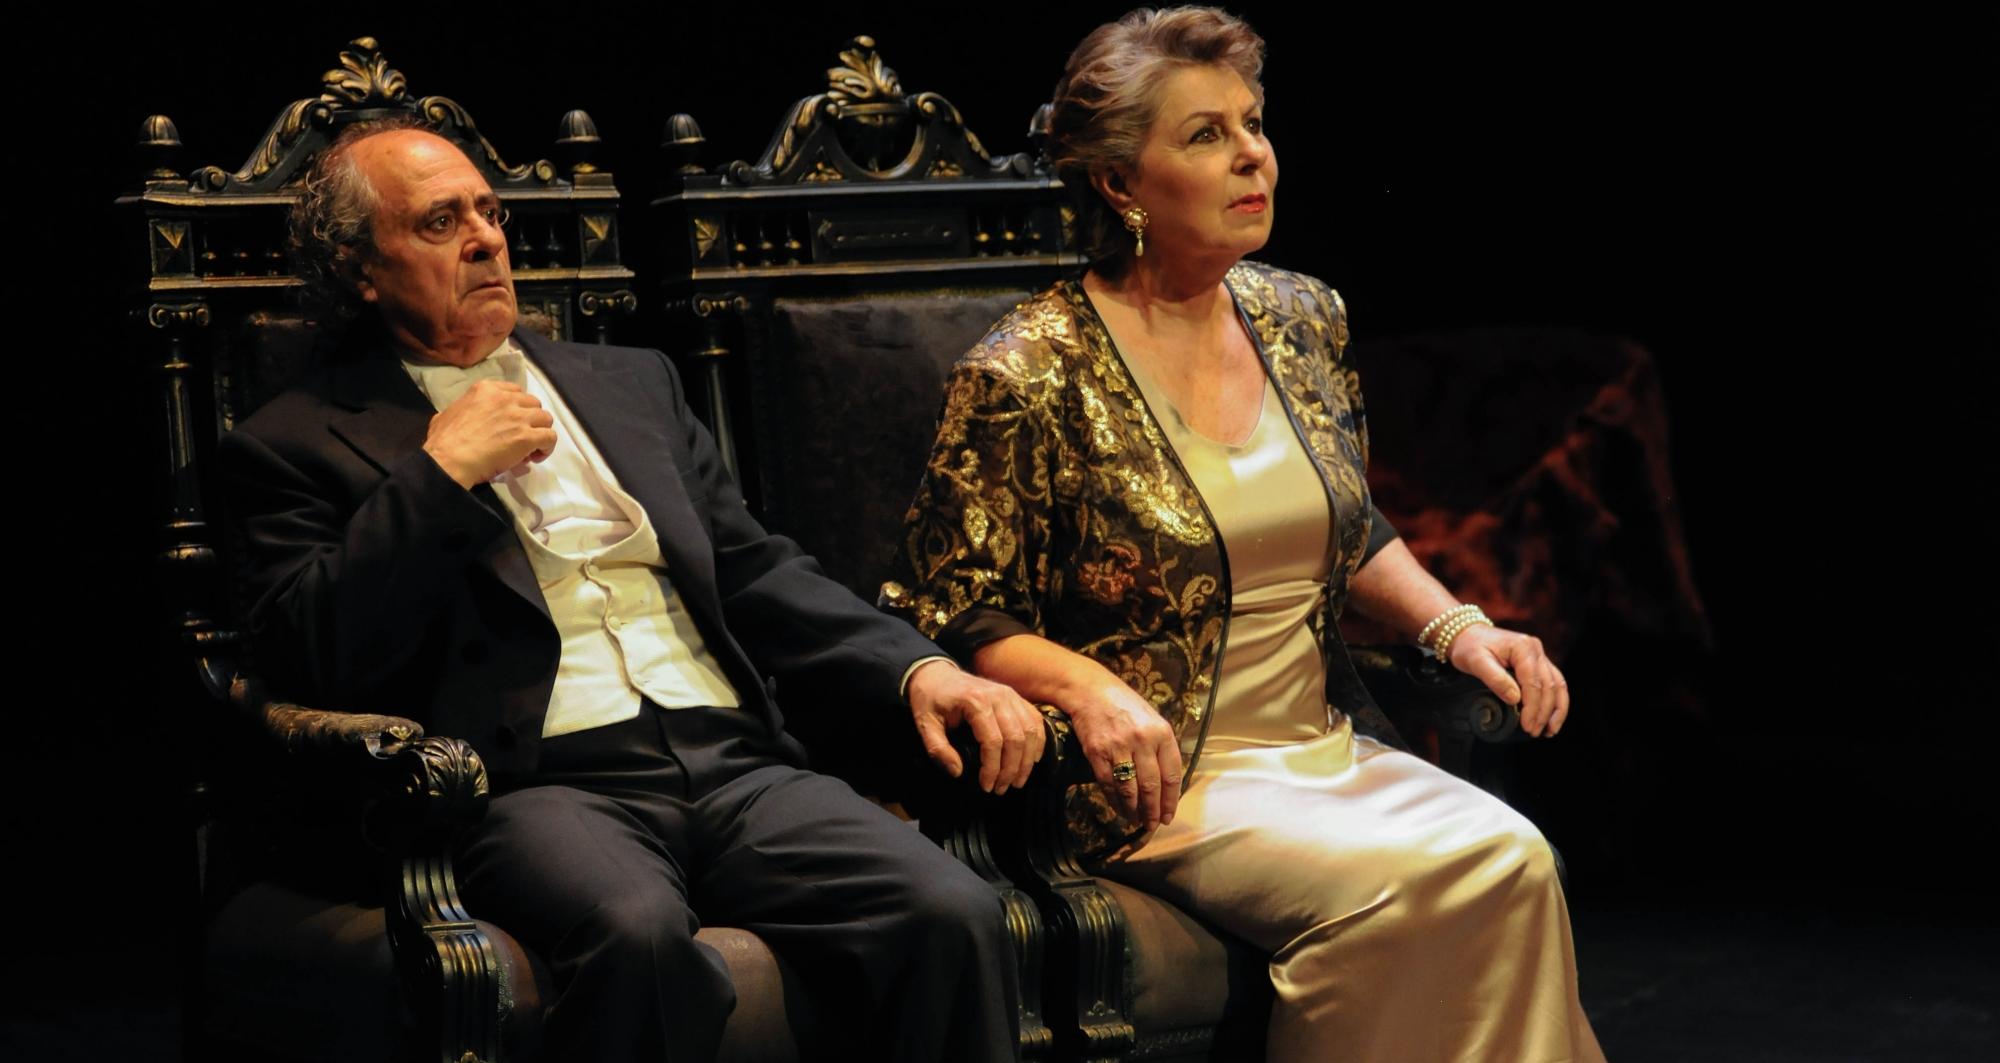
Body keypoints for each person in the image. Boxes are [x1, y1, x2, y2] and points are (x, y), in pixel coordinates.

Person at [222, 118, 1042, 1063]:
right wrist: (438, 479)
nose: (485, 239)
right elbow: (310, 653)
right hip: (540, 786)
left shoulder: (630, 383)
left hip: (734, 763)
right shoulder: (290, 442)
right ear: (360, 268)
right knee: (637, 934)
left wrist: (918, 670)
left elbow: (754, 568)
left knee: (949, 909)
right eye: (441, 222)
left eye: (489, 213)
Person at [880, 8, 1604, 1060]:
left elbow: (1347, 524)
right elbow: (951, 607)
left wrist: (1455, 626)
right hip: (1159, 780)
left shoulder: (1303, 317)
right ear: (1120, 183)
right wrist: (1088, 687)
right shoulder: (1026, 371)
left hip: (1320, 745)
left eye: (1252, 123)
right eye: (1205, 135)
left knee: (1514, 851)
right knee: (1437, 873)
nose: (1251, 154)